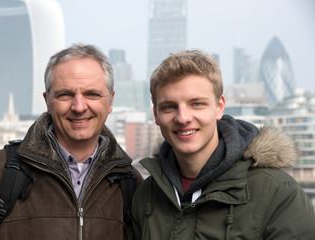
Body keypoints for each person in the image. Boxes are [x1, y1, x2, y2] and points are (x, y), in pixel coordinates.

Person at [0, 43, 142, 240]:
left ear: (111, 101)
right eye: (65, 94)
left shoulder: (131, 183)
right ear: (47, 101)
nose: (79, 107)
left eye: (92, 94)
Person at [131, 49, 315, 239]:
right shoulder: (146, 195)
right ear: (156, 115)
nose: (183, 118)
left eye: (197, 104)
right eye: (169, 107)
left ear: (219, 108)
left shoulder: (278, 193)